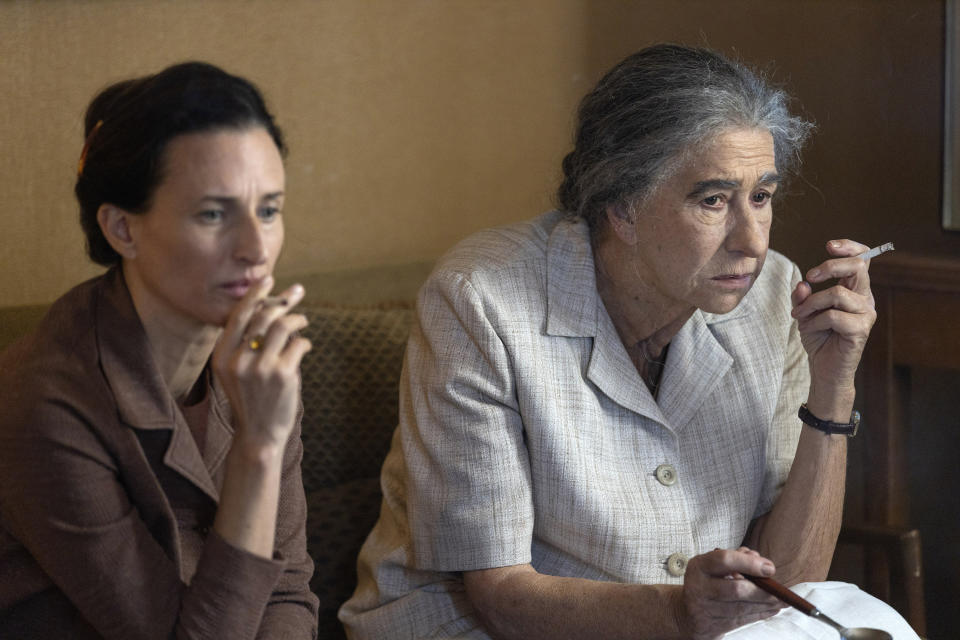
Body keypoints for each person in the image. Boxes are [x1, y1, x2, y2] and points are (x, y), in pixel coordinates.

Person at [340, 44, 879, 638]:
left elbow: (788, 582)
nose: (751, 240)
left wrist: (835, 385)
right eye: (713, 200)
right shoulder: (480, 300)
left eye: (762, 196)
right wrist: (679, 611)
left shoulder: (773, 294)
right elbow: (498, 596)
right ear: (623, 208)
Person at [0, 62, 318, 638]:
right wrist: (258, 448)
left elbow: (290, 591)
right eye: (213, 214)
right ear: (123, 229)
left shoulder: (261, 357)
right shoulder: (43, 404)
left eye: (269, 209)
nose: (255, 248)